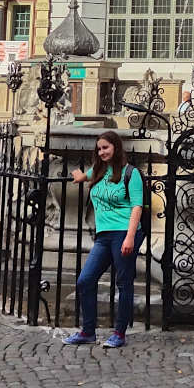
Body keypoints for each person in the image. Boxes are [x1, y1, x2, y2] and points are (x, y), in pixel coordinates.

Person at [64, 131, 144, 349]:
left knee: (123, 282)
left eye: (106, 147)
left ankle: (119, 333)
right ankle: (88, 331)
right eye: (99, 149)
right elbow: (84, 177)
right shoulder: (98, 170)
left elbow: (137, 206)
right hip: (103, 236)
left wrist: (129, 237)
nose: (102, 152)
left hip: (124, 233)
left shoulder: (131, 173)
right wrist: (79, 176)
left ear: (116, 147)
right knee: (85, 280)